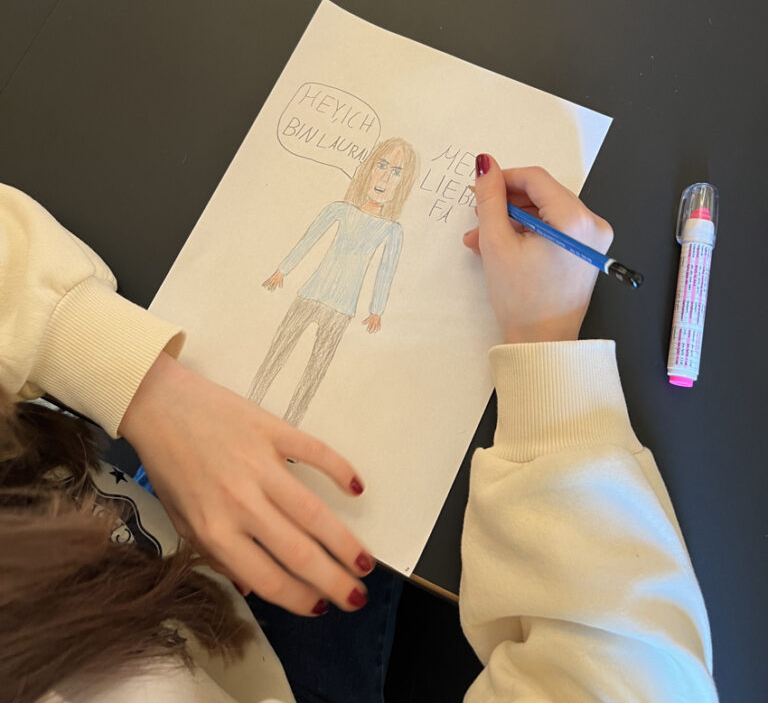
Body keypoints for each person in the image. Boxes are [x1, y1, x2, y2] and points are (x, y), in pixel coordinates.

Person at [0, 158, 718, 702]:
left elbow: (379, 269)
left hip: (146, 519)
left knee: (304, 384)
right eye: (383, 171)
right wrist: (544, 342)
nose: (384, 182)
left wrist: (140, 386)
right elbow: (635, 678)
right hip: (260, 653)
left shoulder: (386, 229)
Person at [249, 136, 418, 426]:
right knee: (276, 355)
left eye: (395, 172)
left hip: (342, 309)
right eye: (381, 165)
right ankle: (248, 404)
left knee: (314, 374)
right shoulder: (339, 210)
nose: (384, 178)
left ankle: (291, 428)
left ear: (402, 184)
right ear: (368, 169)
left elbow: (385, 271)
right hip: (310, 295)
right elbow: (308, 240)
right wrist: (282, 271)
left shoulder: (392, 231)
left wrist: (376, 310)